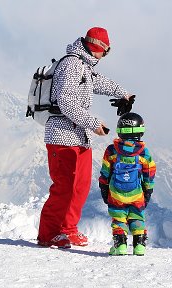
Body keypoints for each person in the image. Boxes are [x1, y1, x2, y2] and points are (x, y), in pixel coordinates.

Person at [37, 27, 135, 249]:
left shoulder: (85, 65)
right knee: (64, 187)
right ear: (97, 47)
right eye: (106, 51)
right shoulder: (72, 64)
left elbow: (99, 83)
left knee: (79, 187)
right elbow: (65, 101)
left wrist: (123, 93)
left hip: (79, 137)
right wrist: (93, 124)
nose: (105, 56)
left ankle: (68, 230)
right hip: (61, 136)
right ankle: (48, 234)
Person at [99, 112, 156, 255]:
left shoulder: (111, 150)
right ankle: (139, 246)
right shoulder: (143, 153)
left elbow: (105, 171)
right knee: (136, 216)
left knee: (119, 218)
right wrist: (148, 190)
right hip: (136, 193)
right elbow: (149, 173)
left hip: (116, 193)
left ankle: (120, 246)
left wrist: (103, 187)